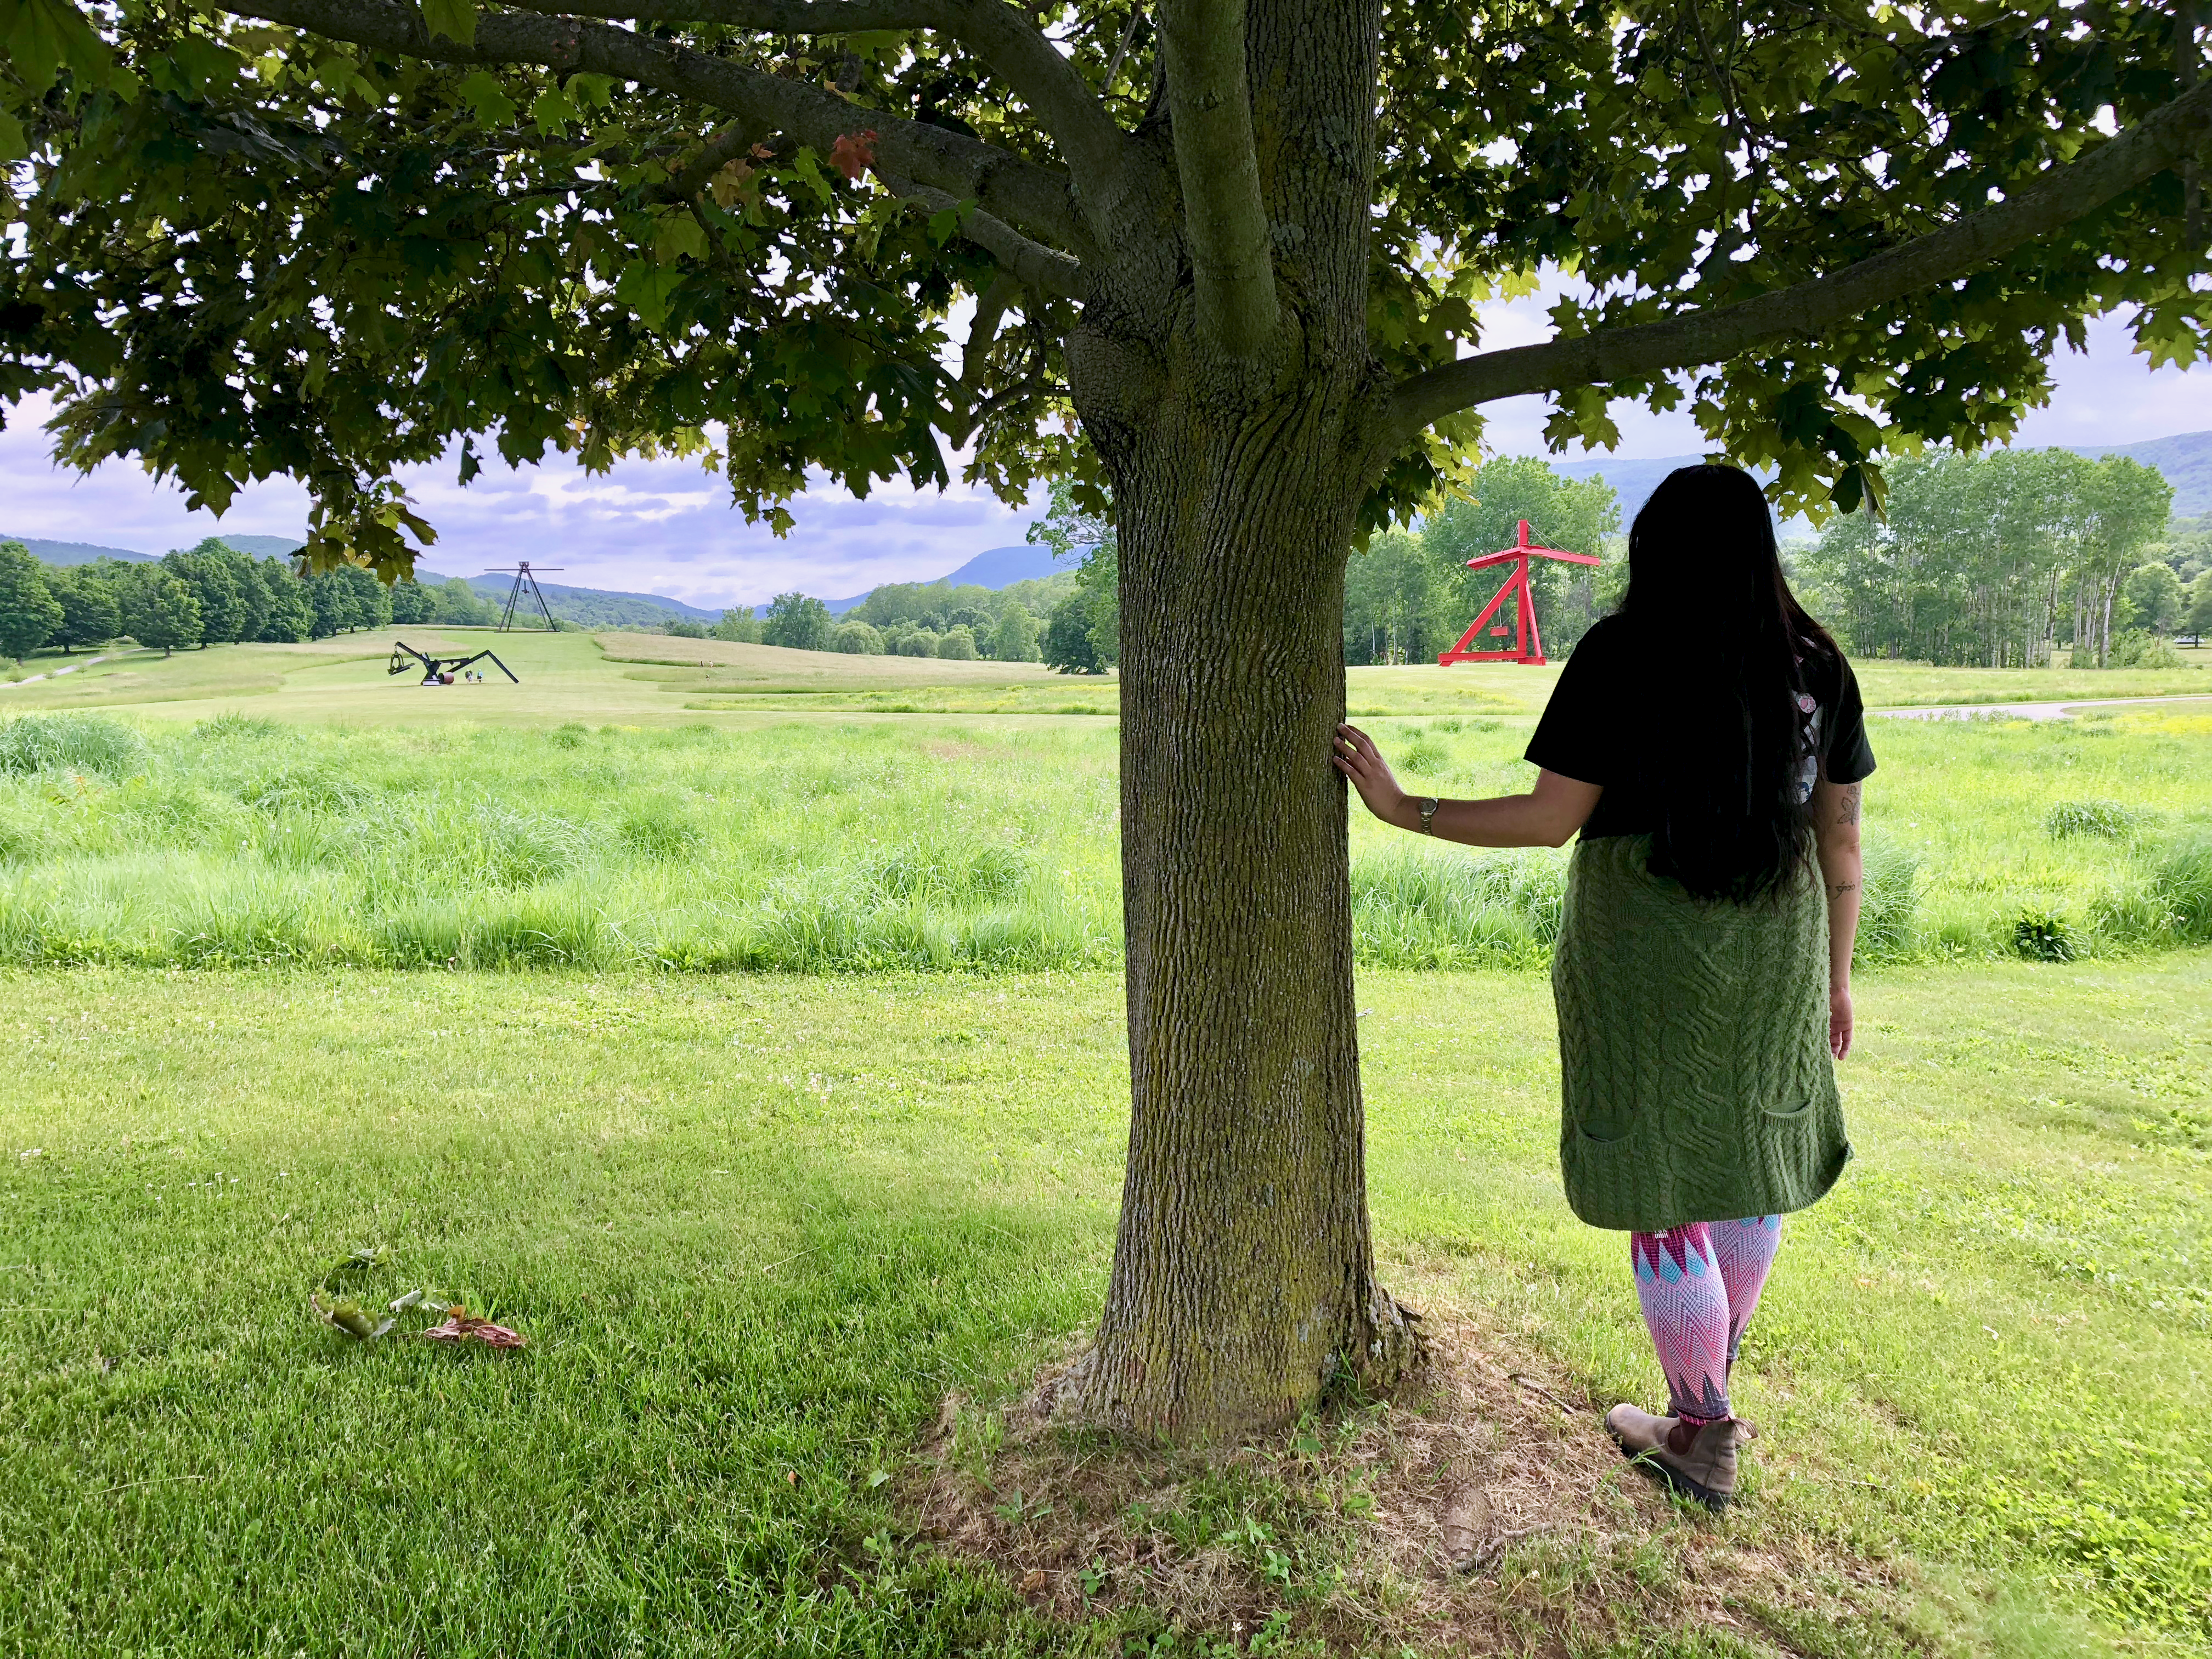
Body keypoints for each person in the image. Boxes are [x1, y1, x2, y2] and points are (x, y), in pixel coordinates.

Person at [1333, 462, 1873, 1511]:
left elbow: (1550, 818)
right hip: (1778, 947)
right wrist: (1837, 976)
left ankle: (1702, 1431)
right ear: (1762, 552)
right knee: (1750, 1159)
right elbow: (1841, 838)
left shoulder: (1624, 653)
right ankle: (1704, 1402)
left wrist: (1407, 810)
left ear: (1654, 552)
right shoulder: (1815, 664)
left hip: (1645, 954)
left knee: (1658, 1173)